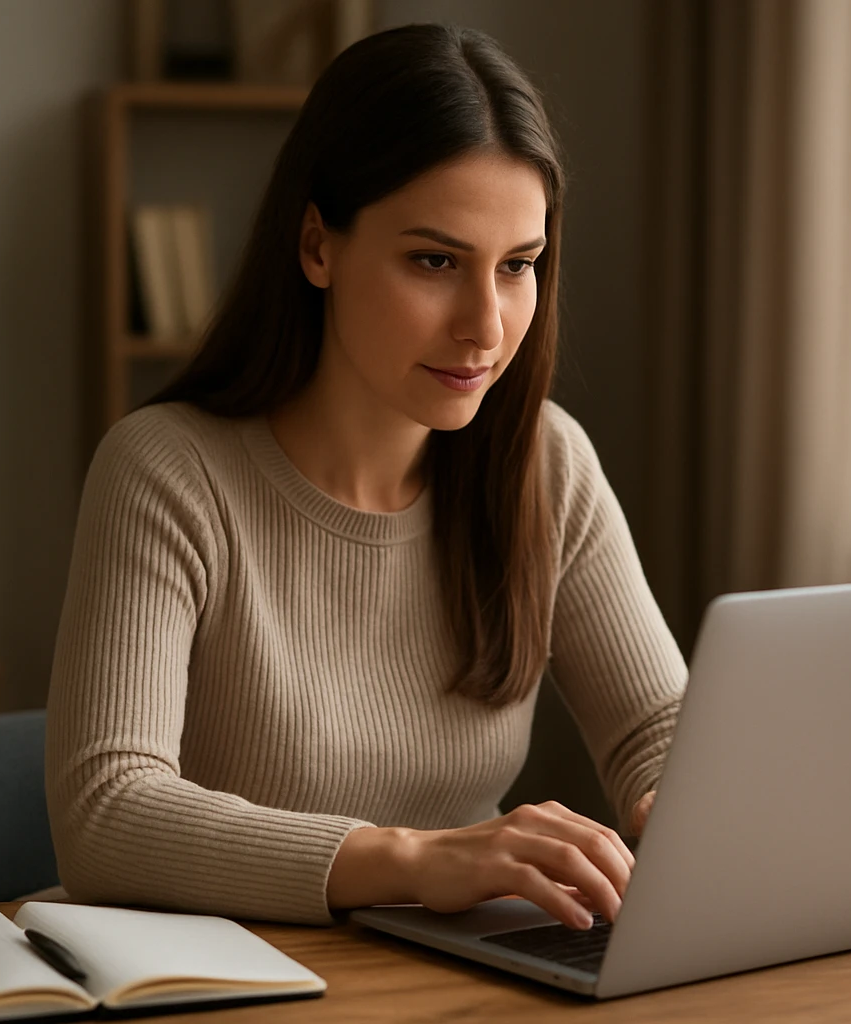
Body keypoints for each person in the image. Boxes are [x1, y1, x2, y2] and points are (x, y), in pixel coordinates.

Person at [44, 23, 687, 933]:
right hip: (223, 980)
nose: (486, 326)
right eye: (435, 261)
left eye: (517, 268)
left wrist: (685, 804)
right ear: (318, 247)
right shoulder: (168, 471)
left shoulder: (545, 463)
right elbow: (107, 813)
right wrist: (417, 860)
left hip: (449, 981)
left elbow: (657, 727)